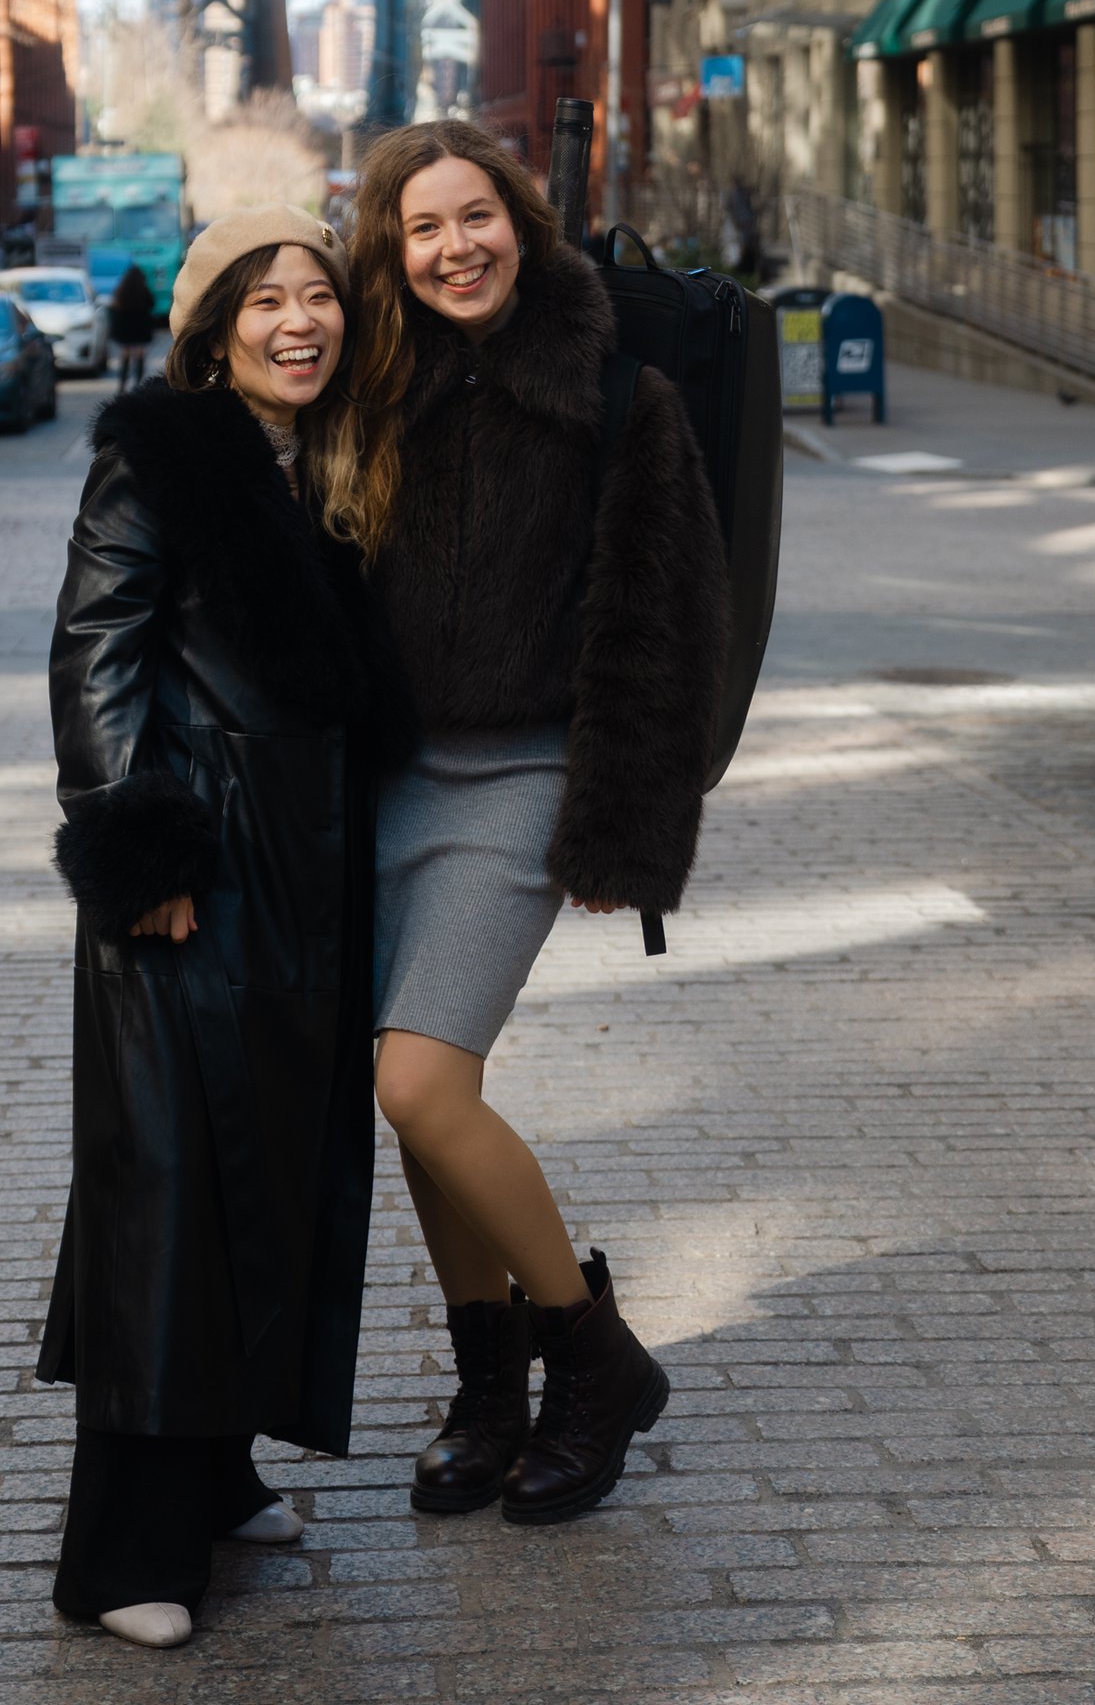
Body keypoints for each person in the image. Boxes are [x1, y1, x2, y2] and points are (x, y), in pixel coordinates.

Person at [332, 118, 729, 1528]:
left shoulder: (615, 390)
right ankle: (489, 1390)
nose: (456, 248)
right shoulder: (371, 384)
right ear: (391, 251)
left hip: (522, 777)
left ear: (522, 219)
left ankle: (593, 1360)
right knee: (420, 1095)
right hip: (384, 781)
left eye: (477, 216)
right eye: (423, 228)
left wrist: (625, 825)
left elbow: (666, 620)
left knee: (418, 1085)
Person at [37, 205, 400, 1651]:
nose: (298, 322)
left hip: (302, 879)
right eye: (265, 300)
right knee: (170, 1188)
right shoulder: (160, 456)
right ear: (211, 329)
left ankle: (222, 1466)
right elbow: (93, 652)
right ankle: (122, 1550)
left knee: (271, 1170)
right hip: (191, 869)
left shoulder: (330, 456)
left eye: (319, 295)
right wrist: (142, 847)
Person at [106, 261, 155, 391]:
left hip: (125, 330)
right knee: (139, 355)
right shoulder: (143, 291)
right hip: (140, 329)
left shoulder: (121, 292)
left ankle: (122, 383)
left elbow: (114, 310)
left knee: (125, 355)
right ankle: (138, 383)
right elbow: (151, 304)